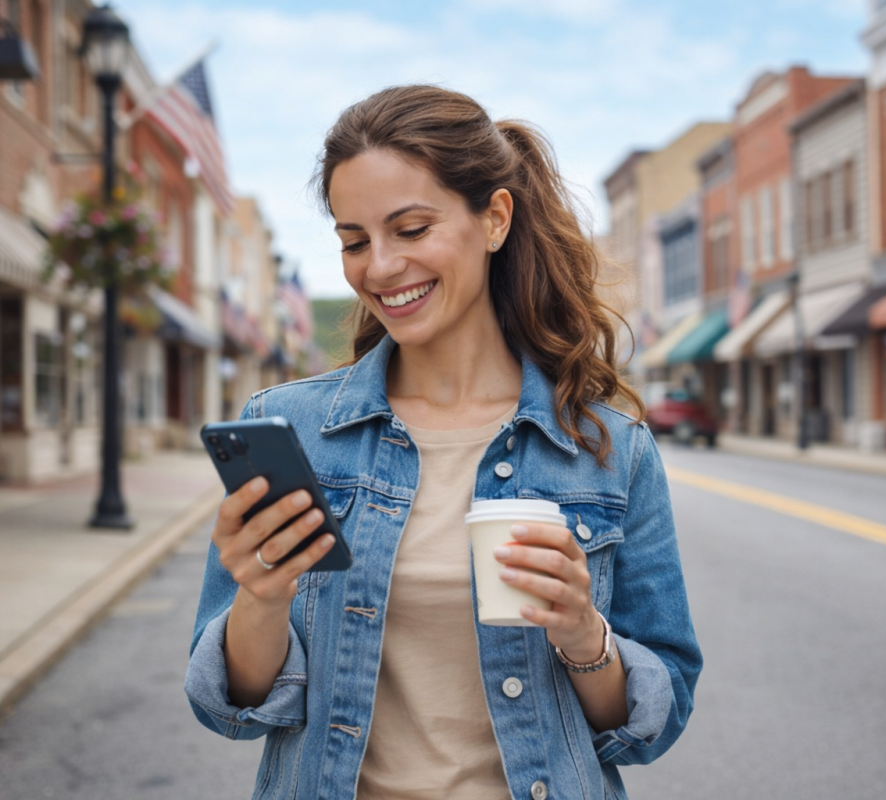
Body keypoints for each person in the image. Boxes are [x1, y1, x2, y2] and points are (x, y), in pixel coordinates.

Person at [185, 84, 701, 800]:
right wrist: (262, 597)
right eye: (354, 241)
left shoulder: (610, 451)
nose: (379, 267)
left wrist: (586, 637)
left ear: (494, 219)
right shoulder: (291, 430)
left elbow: (653, 722)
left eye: (411, 229)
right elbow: (233, 709)